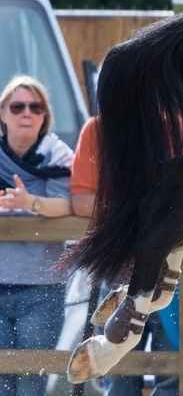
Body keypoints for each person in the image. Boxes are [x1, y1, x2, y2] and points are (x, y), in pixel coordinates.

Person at [70, 116, 179, 396]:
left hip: (172, 267)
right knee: (120, 381)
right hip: (123, 263)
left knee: (175, 376)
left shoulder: (178, 124)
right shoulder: (98, 129)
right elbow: (82, 201)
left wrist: (130, 208)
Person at [0, 75, 75, 396]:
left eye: (35, 107)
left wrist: (29, 202)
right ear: (3, 113)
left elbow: (73, 205)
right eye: (17, 106)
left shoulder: (58, 156)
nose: (26, 113)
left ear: (45, 116)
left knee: (32, 384)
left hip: (43, 290)